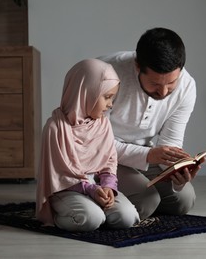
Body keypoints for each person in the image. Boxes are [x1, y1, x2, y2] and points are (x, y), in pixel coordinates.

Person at [98, 27, 205, 219]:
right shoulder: (107, 73)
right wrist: (149, 155)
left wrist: (178, 172)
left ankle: (126, 198)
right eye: (155, 84)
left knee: (184, 199)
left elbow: (170, 143)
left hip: (145, 156)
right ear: (138, 66)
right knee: (147, 200)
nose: (163, 92)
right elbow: (97, 143)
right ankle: (97, 193)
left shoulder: (187, 86)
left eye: (171, 84)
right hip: (103, 157)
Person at [36, 58, 140, 232]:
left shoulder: (103, 124)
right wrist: (91, 190)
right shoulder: (55, 128)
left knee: (127, 217)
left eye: (112, 98)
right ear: (85, 92)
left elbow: (109, 163)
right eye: (107, 97)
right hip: (66, 188)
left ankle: (95, 208)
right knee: (91, 219)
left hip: (97, 187)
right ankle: (59, 214)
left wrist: (108, 187)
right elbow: (60, 175)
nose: (110, 104)